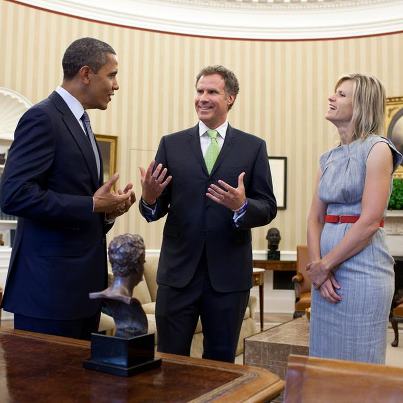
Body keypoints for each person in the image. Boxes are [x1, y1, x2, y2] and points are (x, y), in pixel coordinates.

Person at [139, 65, 277, 363]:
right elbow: (154, 209)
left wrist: (242, 206)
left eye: (212, 91)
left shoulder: (253, 147)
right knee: (170, 360)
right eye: (199, 91)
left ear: (230, 98)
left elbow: (267, 206)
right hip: (178, 276)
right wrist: (149, 198)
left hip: (228, 278)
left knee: (220, 362)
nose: (203, 97)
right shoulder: (171, 144)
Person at [0, 37, 136, 340]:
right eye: (112, 75)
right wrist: (91, 204)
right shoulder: (42, 117)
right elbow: (13, 194)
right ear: (86, 74)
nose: (116, 86)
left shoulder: (82, 123)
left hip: (80, 294)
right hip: (48, 295)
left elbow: (84, 203)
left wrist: (108, 209)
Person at [306, 73, 403, 363]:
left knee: (358, 365)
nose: (331, 98)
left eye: (342, 94)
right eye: (334, 92)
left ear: (362, 104)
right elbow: (314, 218)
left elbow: (371, 221)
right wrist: (317, 269)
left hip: (364, 273)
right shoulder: (328, 157)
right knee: (324, 364)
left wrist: (326, 264)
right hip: (325, 276)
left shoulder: (378, 149)